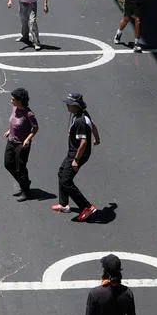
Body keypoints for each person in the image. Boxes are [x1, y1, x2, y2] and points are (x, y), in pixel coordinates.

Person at [52, 91, 99, 221]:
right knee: (61, 173)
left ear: (76, 106)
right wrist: (97, 139)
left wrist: (76, 161)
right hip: (73, 152)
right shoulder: (82, 115)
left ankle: (87, 207)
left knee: (66, 180)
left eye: (69, 104)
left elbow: (83, 143)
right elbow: (93, 125)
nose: (67, 106)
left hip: (78, 154)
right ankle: (64, 204)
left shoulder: (80, 121)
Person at [2, 87, 38, 199]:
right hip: (11, 141)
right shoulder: (14, 108)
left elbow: (35, 128)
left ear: (19, 100)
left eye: (13, 99)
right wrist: (10, 130)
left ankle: (26, 191)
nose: (11, 101)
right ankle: (25, 183)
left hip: (21, 145)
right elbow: (13, 121)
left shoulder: (29, 114)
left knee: (20, 168)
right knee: (8, 163)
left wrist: (28, 139)